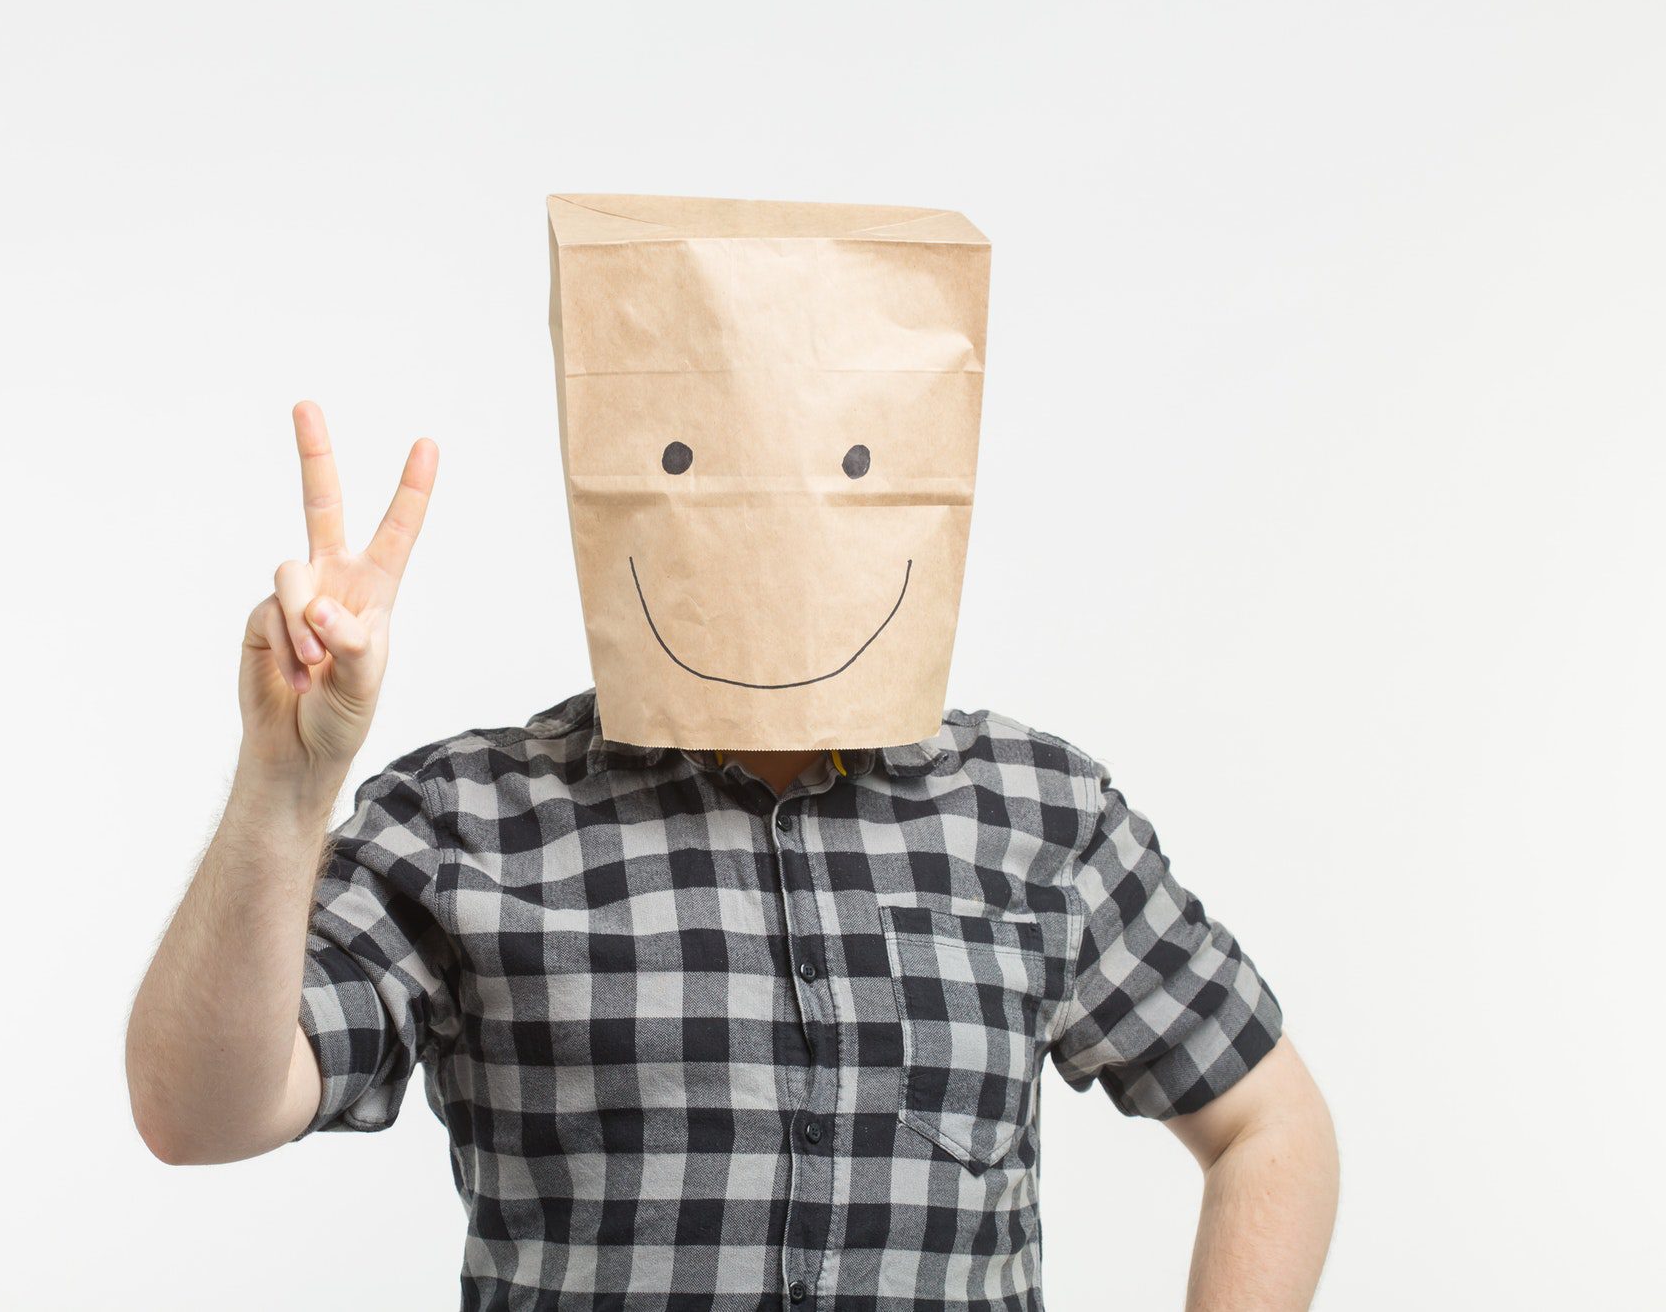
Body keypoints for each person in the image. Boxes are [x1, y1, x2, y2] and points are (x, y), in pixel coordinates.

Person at [125, 402, 1340, 1311]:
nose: (774, 521)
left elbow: (1268, 1124)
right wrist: (285, 788)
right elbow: (195, 1110)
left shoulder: (1035, 812)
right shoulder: (471, 817)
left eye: (846, 466)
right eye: (694, 467)